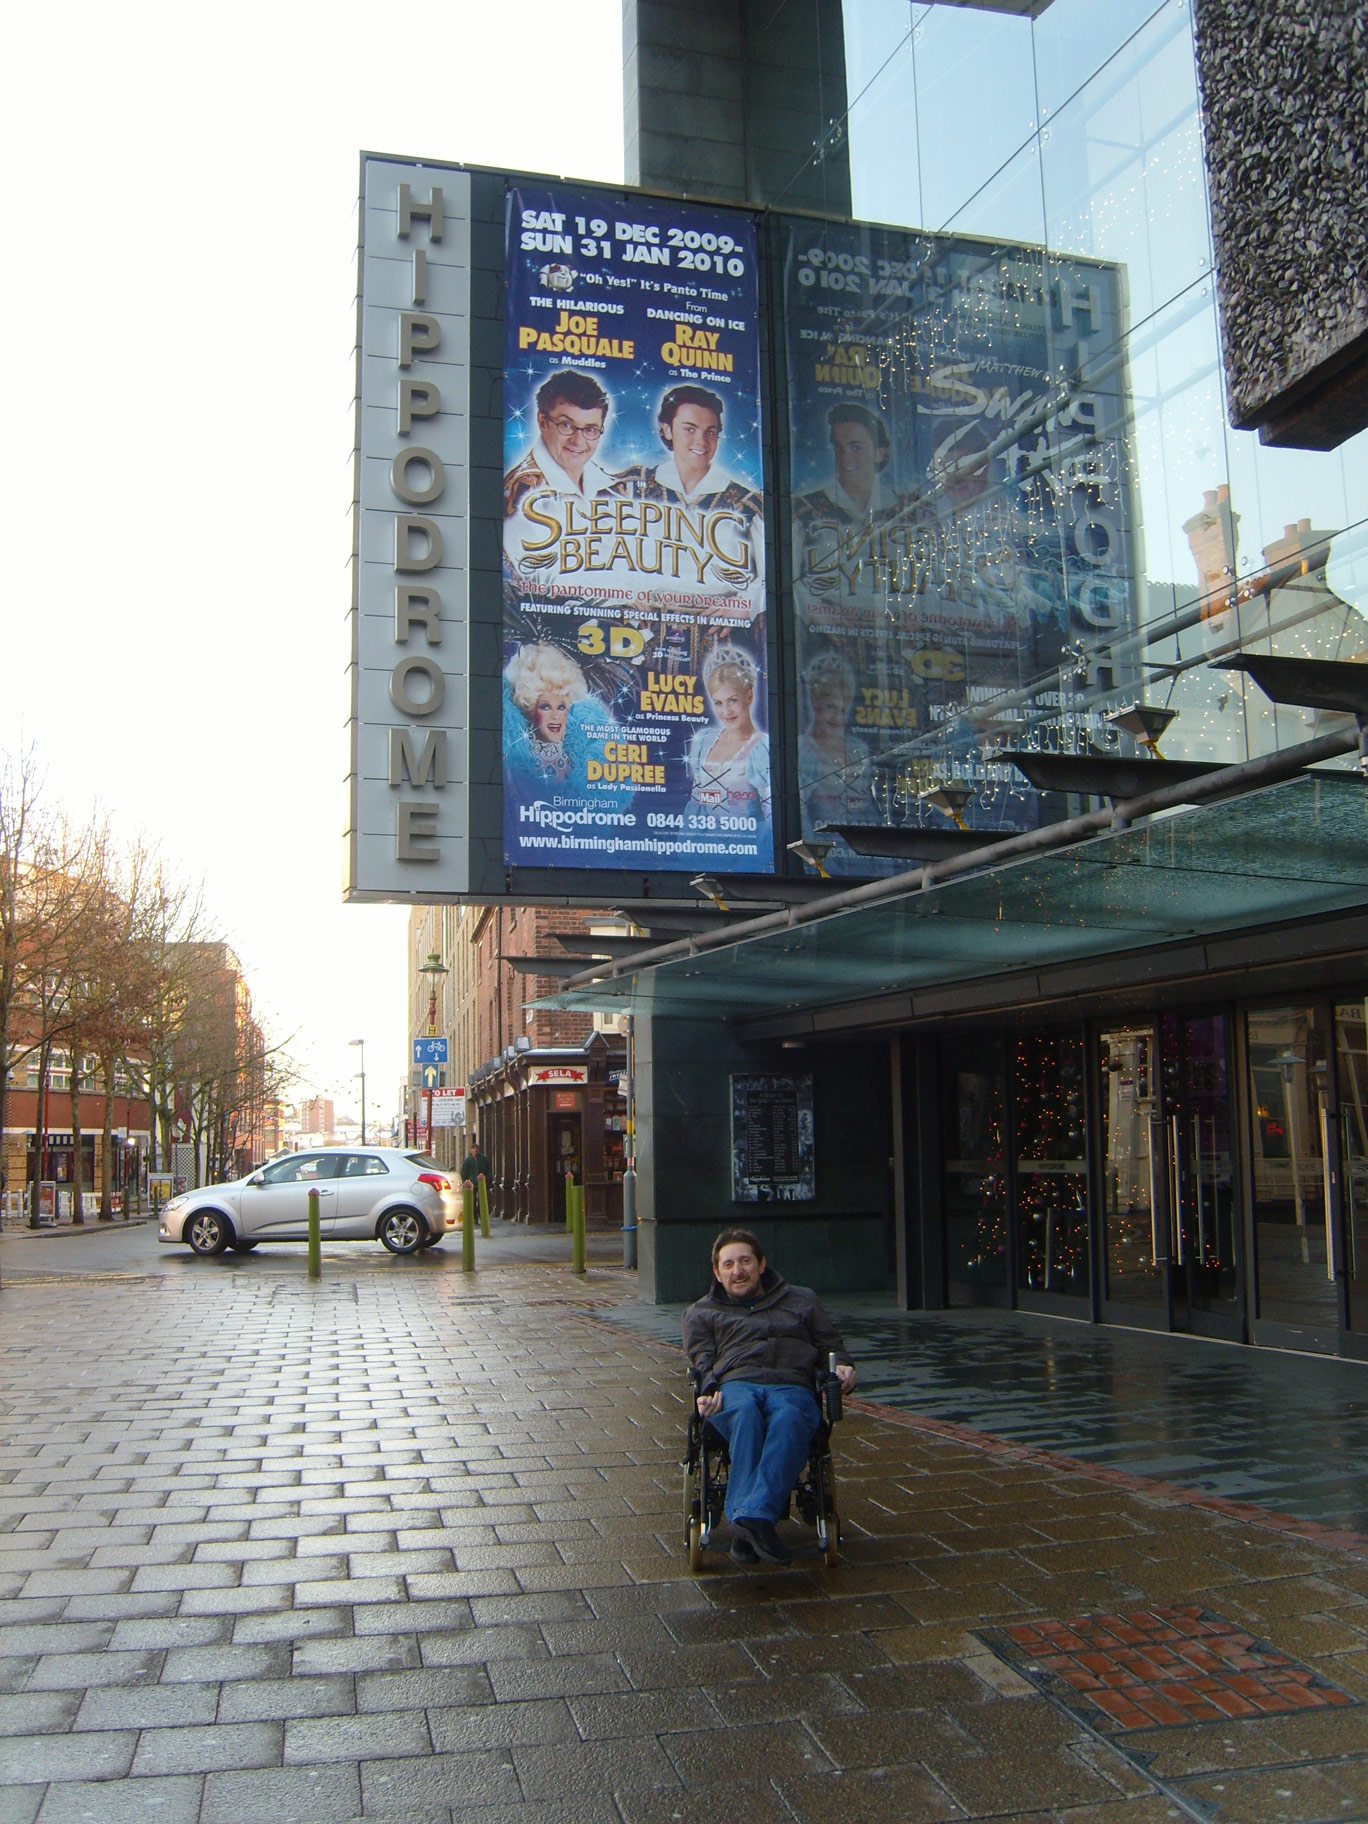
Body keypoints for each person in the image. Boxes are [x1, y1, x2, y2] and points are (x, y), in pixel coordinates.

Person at [683, 1229, 856, 1567]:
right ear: (717, 1273)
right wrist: (706, 1394)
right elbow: (701, 1361)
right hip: (735, 1386)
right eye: (728, 1264)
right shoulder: (701, 1312)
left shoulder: (802, 1300)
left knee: (790, 1417)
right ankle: (757, 1522)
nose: (738, 1271)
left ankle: (748, 1522)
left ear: (761, 1264)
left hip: (791, 1384)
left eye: (745, 1261)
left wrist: (845, 1367)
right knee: (746, 1414)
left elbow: (831, 1345)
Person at [687, 643, 770, 828]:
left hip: (747, 850)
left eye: (733, 700)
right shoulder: (703, 740)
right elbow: (696, 804)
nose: (726, 711)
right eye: (718, 703)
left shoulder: (761, 747)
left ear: (749, 697)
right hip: (707, 849)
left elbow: (771, 816)